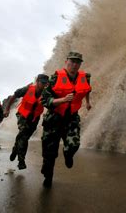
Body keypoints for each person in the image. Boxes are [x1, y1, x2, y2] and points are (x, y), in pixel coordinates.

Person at [41, 51, 92, 188]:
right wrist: (62, 100)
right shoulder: (55, 78)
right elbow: (44, 100)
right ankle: (48, 175)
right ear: (66, 62)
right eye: (72, 61)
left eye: (78, 62)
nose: (75, 65)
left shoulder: (85, 77)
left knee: (74, 144)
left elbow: (87, 90)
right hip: (54, 118)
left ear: (80, 64)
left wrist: (87, 102)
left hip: (72, 118)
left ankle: (68, 155)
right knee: (49, 154)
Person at [4, 74, 49, 170]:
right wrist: (7, 109)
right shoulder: (27, 89)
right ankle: (21, 161)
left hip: (34, 118)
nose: (43, 85)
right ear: (37, 81)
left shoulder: (47, 93)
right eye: (42, 83)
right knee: (23, 136)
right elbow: (14, 96)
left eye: (46, 83)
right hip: (22, 115)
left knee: (25, 137)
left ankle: (15, 149)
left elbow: (51, 102)